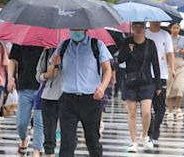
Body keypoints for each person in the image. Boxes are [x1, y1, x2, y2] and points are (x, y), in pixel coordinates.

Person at [50, 29, 112, 157]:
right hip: (68, 99)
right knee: (67, 142)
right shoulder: (63, 46)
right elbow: (52, 72)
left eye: (78, 28)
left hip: (91, 99)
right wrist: (54, 65)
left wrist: (102, 87)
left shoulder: (96, 45)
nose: (75, 31)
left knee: (93, 140)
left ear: (86, 29)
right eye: (73, 28)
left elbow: (107, 70)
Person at [118, 22, 161, 153]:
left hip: (147, 82)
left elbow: (156, 64)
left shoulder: (150, 44)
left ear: (144, 27)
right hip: (130, 82)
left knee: (147, 111)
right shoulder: (127, 42)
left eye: (140, 26)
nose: (138, 29)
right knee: (132, 113)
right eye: (135, 26)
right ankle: (133, 141)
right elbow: (120, 60)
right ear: (132, 27)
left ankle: (144, 135)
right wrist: (128, 49)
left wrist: (158, 84)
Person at [8, 44, 44, 155]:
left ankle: (37, 150)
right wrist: (10, 78)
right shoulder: (21, 39)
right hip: (24, 87)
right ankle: (24, 138)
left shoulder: (47, 39)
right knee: (21, 122)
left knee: (39, 122)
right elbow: (12, 59)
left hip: (42, 87)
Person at [145, 21, 175, 142]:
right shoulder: (144, 34)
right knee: (146, 106)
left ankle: (156, 127)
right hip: (146, 75)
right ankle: (149, 130)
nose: (156, 23)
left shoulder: (165, 35)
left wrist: (172, 68)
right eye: (153, 20)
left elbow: (170, 54)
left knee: (160, 106)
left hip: (161, 75)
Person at [36, 48, 62, 157]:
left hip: (68, 98)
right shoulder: (47, 52)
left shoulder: (74, 52)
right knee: (49, 135)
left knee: (69, 137)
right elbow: (38, 76)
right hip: (49, 97)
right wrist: (47, 74)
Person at [167, 23, 184, 122]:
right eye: (174, 28)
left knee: (179, 87)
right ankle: (170, 110)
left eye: (177, 28)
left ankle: (178, 108)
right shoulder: (167, 38)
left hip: (180, 63)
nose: (176, 30)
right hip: (169, 64)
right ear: (170, 29)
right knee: (170, 87)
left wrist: (182, 51)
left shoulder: (183, 39)